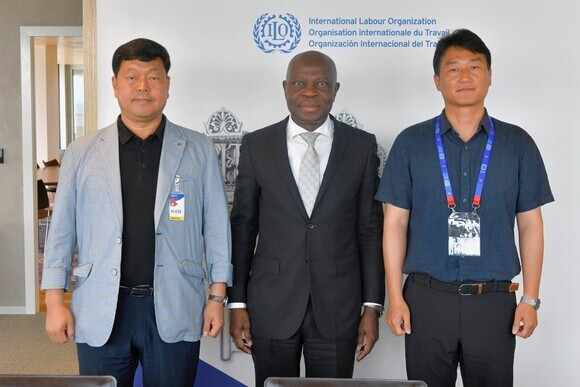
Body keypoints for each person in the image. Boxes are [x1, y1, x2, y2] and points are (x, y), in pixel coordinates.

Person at [41, 38, 232, 386]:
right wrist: (55, 301)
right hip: (102, 306)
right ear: (115, 85)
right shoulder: (82, 152)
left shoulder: (198, 149)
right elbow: (62, 232)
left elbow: (218, 228)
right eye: (132, 77)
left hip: (174, 302)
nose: (143, 87)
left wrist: (216, 296)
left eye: (153, 77)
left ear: (168, 85)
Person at [375, 29, 554, 387]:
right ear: (437, 81)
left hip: (493, 303)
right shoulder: (410, 143)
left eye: (475, 66)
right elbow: (394, 224)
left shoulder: (518, 144)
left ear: (490, 76)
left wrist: (530, 299)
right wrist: (395, 296)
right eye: (454, 68)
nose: (466, 76)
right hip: (426, 299)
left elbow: (531, 225)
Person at [228, 50, 385, 386]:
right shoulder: (257, 145)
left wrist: (372, 307)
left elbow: (370, 231)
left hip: (339, 307)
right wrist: (236, 300)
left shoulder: (360, 146)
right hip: (271, 305)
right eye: (300, 82)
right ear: (285, 87)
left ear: (336, 89)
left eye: (321, 84)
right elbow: (243, 227)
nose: (310, 91)